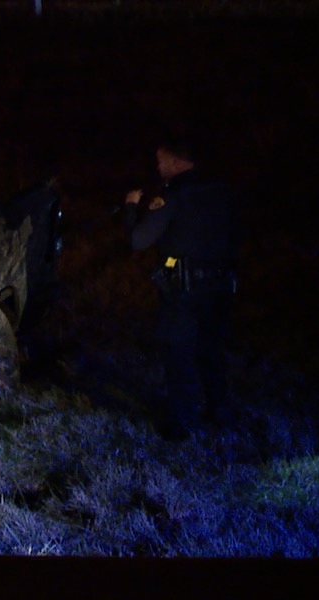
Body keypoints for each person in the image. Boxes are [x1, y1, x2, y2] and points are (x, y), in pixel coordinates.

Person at [122, 138, 241, 440]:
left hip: (184, 291)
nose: (158, 167)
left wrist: (131, 208)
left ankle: (183, 423)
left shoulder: (173, 195)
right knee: (212, 351)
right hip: (220, 285)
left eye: (161, 161)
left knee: (180, 354)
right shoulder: (221, 189)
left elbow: (138, 240)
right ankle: (220, 412)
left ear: (176, 163)